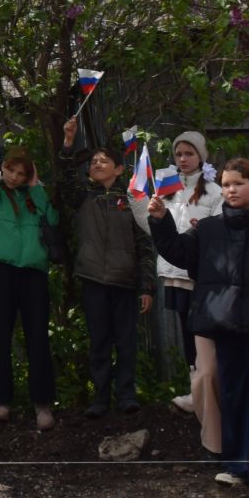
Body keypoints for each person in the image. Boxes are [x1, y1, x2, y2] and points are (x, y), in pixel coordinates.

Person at [147, 159, 249, 498]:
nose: (231, 190)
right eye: (225, 184)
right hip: (225, 328)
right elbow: (179, 252)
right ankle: (238, 465)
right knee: (234, 397)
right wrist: (160, 220)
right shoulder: (210, 229)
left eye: (238, 183)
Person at [0, 128, 61, 430]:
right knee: (0, 337)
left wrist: (36, 187)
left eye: (22, 173)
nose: (14, 177)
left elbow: (53, 221)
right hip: (2, 271)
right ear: (3, 167)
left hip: (33, 273)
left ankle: (42, 404)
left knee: (37, 339)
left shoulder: (34, 195)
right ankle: (2, 401)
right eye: (10, 170)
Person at [60, 119, 157, 417]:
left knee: (126, 342)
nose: (97, 164)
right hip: (93, 280)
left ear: (118, 169)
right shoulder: (83, 196)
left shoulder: (132, 199)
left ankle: (126, 394)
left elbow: (144, 246)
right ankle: (100, 398)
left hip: (125, 281)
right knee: (99, 341)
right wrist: (68, 142)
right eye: (93, 161)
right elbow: (64, 179)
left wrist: (146, 287)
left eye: (105, 161)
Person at [164, 131, 227, 453]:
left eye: (189, 153)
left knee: (202, 331)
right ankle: (194, 389)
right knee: (185, 329)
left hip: (201, 275)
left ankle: (207, 389)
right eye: (179, 154)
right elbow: (153, 224)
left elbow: (220, 232)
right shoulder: (169, 188)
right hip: (174, 271)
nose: (183, 159)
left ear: (201, 155)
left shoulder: (215, 191)